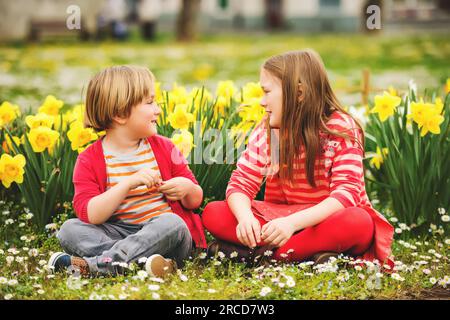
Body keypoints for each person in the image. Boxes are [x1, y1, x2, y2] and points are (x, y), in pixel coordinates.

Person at [202, 49, 394, 269]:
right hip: (279, 220)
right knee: (214, 213)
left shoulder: (341, 128)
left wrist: (291, 224)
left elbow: (346, 194)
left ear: (299, 94)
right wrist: (246, 219)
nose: (262, 102)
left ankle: (260, 256)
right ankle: (309, 255)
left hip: (324, 220)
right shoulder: (269, 130)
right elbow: (241, 183)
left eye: (267, 92)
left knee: (358, 223)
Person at [48, 65, 206, 277]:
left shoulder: (165, 147)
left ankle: (96, 267)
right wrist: (128, 183)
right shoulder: (89, 159)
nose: (158, 109)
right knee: (69, 229)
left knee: (172, 223)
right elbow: (91, 214)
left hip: (165, 235)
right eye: (150, 103)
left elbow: (195, 200)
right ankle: (144, 263)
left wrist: (186, 189)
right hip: (118, 233)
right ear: (120, 114)